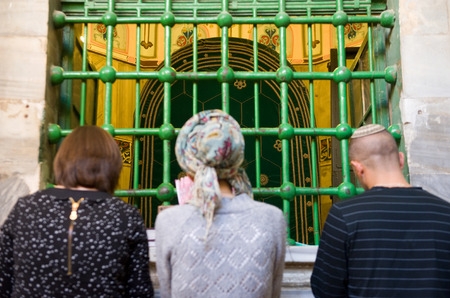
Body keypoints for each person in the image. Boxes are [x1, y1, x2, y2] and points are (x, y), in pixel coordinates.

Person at [0, 126, 154, 297]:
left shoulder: (25, 209)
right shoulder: (125, 216)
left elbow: (4, 284)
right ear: (112, 166)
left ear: (61, 160)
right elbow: (139, 292)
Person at [155, 109, 286, 298]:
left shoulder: (169, 222)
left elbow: (168, 293)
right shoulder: (272, 219)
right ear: (236, 160)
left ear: (188, 164)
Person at [310, 124, 450, 297]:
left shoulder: (344, 215)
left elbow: (325, 288)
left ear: (358, 168)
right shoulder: (445, 213)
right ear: (401, 159)